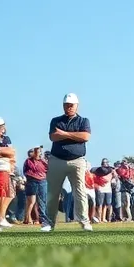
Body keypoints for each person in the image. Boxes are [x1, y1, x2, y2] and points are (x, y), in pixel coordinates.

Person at [41, 92, 93, 232]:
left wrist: (64, 134)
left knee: (80, 191)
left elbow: (85, 136)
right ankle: (49, 222)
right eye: (66, 105)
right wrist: (74, 136)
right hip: (57, 160)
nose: (69, 107)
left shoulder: (83, 121)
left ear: (76, 106)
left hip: (77, 161)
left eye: (71, 105)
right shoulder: (56, 120)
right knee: (53, 192)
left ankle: (84, 221)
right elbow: (53, 137)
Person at [22, 147, 48, 226]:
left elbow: (48, 169)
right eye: (36, 152)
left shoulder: (43, 161)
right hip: (32, 181)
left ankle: (42, 218)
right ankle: (28, 218)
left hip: (42, 181)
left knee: (42, 201)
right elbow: (26, 171)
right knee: (31, 202)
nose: (38, 153)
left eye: (40, 152)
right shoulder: (28, 161)